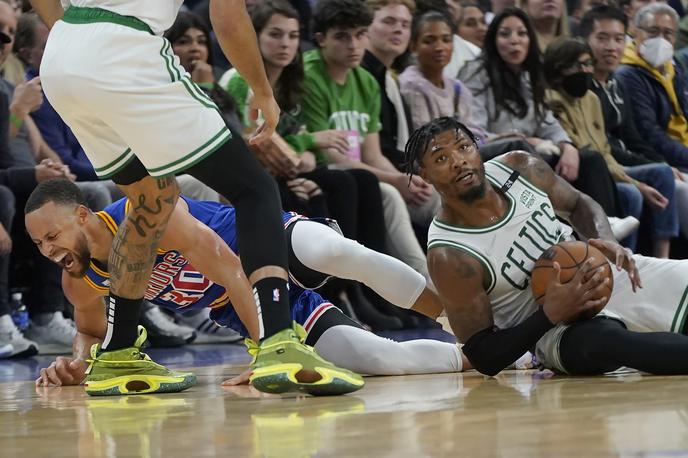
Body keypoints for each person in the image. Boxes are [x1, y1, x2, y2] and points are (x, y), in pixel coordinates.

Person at [29, 0, 358, 396]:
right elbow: (228, 15)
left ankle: (116, 354)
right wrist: (261, 90)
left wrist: (69, 36)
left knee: (151, 202)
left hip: (62, 59)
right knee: (254, 188)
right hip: (123, 49)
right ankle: (278, 342)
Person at [26, 179, 460, 388]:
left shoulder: (145, 215)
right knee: (373, 357)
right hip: (234, 305)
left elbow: (232, 268)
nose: (48, 250)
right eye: (39, 244)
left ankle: (454, 317)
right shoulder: (79, 282)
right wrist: (76, 363)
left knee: (336, 253)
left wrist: (269, 348)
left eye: (53, 236)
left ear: (82, 216)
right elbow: (90, 331)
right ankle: (482, 354)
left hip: (262, 244)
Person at [410, 116, 688, 377]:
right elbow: (483, 355)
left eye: (464, 147)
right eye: (441, 158)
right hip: (554, 330)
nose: (458, 161)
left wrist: (607, 239)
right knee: (602, 343)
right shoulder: (449, 254)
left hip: (599, 275)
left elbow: (578, 203)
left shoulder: (520, 168)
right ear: (425, 174)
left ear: (477, 148)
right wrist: (549, 314)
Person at [219, 0, 406, 330]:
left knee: (356, 182)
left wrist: (302, 155)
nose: (286, 44)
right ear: (254, 38)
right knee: (327, 186)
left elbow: (299, 145)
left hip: (284, 171)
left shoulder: (291, 80)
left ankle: (354, 289)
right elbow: (245, 142)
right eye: (275, 35)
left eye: (292, 36)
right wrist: (305, 149)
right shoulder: (238, 79)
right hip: (245, 173)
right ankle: (328, 292)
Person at [458, 8, 630, 231]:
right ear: (493, 40)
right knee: (521, 148)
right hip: (495, 158)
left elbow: (549, 123)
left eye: (521, 33)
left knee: (590, 158)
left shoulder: (529, 76)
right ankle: (569, 235)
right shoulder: (476, 73)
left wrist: (567, 146)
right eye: (505, 34)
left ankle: (605, 229)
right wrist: (525, 139)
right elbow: (473, 132)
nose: (514, 41)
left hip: (532, 156)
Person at [543, 37, 677, 257]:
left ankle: (657, 256)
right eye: (580, 65)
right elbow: (586, 154)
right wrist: (635, 184)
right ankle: (620, 257)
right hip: (579, 175)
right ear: (560, 69)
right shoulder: (552, 101)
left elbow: (604, 150)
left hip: (608, 167)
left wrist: (633, 179)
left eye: (589, 65)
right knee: (631, 194)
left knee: (661, 172)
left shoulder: (592, 99)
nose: (587, 71)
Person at [581, 5, 688, 242]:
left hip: (638, 157)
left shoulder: (671, 70)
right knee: (668, 180)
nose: (611, 46)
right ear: (637, 33)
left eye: (618, 39)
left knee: (665, 172)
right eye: (653, 31)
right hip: (611, 162)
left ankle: (667, 260)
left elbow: (633, 137)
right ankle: (663, 260)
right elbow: (645, 135)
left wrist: (660, 162)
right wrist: (662, 163)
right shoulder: (623, 76)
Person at [615, 3, 688, 171]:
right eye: (653, 31)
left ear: (675, 38)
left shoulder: (675, 67)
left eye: (668, 33)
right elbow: (650, 134)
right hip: (666, 160)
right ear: (635, 31)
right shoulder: (627, 74)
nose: (661, 39)